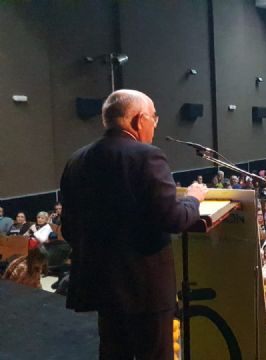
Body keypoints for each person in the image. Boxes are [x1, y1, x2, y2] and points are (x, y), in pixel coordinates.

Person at [60, 89, 207, 359]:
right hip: (145, 287)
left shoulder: (77, 160)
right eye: (153, 118)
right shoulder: (146, 155)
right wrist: (193, 200)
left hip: (101, 284)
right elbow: (174, 219)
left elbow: (68, 228)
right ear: (139, 120)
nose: (154, 124)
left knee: (114, 353)